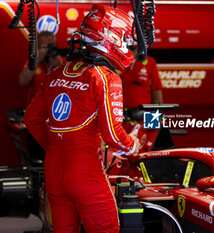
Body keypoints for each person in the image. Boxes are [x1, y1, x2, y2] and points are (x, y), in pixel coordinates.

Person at [23, 4, 140, 232]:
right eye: (124, 39)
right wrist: (133, 145)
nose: (126, 45)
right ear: (110, 38)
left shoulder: (56, 72)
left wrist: (57, 147)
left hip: (54, 167)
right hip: (85, 170)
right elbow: (114, 136)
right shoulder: (105, 77)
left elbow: (31, 120)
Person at [19, 31, 63, 106]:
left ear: (56, 45)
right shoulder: (34, 62)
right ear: (38, 48)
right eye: (44, 47)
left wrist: (59, 66)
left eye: (51, 46)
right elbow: (22, 81)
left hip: (56, 107)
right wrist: (38, 59)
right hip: (35, 107)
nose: (48, 49)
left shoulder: (63, 61)